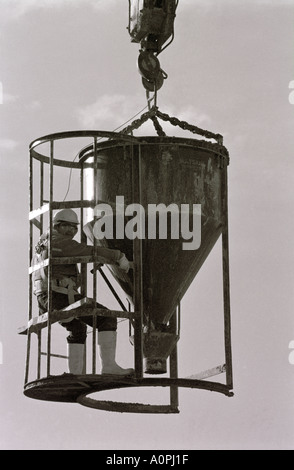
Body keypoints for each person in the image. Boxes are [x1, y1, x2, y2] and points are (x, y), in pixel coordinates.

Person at [32, 208, 134, 376]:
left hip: (46, 297)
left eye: (74, 228)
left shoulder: (43, 242)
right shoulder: (60, 242)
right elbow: (88, 250)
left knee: (77, 328)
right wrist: (118, 255)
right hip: (58, 295)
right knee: (106, 318)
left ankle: (75, 373)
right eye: (67, 227)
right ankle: (109, 367)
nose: (71, 231)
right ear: (57, 226)